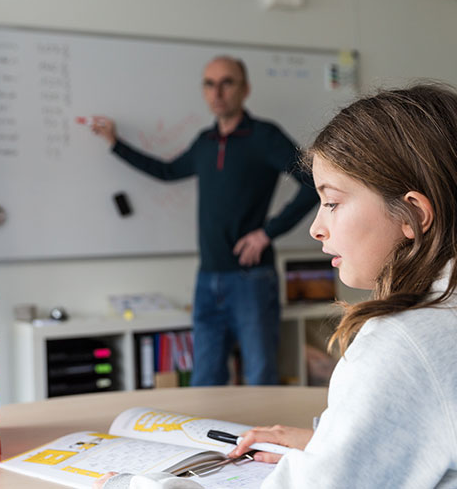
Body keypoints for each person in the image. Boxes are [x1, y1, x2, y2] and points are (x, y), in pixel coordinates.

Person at [96, 83, 457, 489]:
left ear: (412, 214)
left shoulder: (410, 341)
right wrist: (331, 442)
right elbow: (453, 429)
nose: (316, 227)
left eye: (333, 201)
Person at [90, 56, 318, 387]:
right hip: (207, 278)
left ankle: (261, 441)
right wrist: (115, 144)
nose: (218, 92)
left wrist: (267, 234)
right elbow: (167, 172)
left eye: (227, 82)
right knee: (205, 380)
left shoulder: (264, 136)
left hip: (251, 279)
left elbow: (312, 183)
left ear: (245, 89)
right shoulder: (205, 142)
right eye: (210, 84)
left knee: (260, 377)